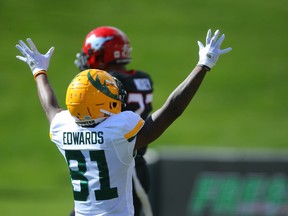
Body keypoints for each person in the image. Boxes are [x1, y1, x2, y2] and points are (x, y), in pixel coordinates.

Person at [15, 29, 232, 216]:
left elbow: (50, 106)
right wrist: (203, 65)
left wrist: (39, 71)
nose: (116, 95)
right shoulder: (119, 131)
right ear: (101, 105)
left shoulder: (63, 126)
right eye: (110, 93)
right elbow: (172, 109)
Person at [73, 26, 153, 216]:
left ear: (103, 54)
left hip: (122, 167)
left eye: (90, 53)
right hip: (130, 162)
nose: (86, 58)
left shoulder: (110, 82)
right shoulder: (143, 79)